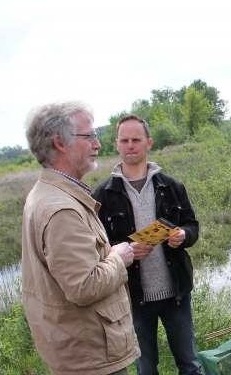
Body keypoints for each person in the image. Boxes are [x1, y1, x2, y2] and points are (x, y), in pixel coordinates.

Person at [21, 101, 140, 375]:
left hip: (79, 347)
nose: (97, 144)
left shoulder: (47, 193)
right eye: (89, 136)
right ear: (60, 143)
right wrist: (118, 259)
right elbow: (84, 287)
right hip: (90, 356)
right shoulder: (61, 208)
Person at [93, 115, 202, 375]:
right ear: (117, 145)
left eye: (136, 140)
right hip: (133, 298)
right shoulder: (102, 195)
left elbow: (192, 226)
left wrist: (182, 236)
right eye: (125, 140)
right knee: (146, 368)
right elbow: (95, 246)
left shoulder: (171, 186)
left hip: (176, 293)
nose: (131, 145)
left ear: (148, 143)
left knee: (189, 364)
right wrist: (121, 251)